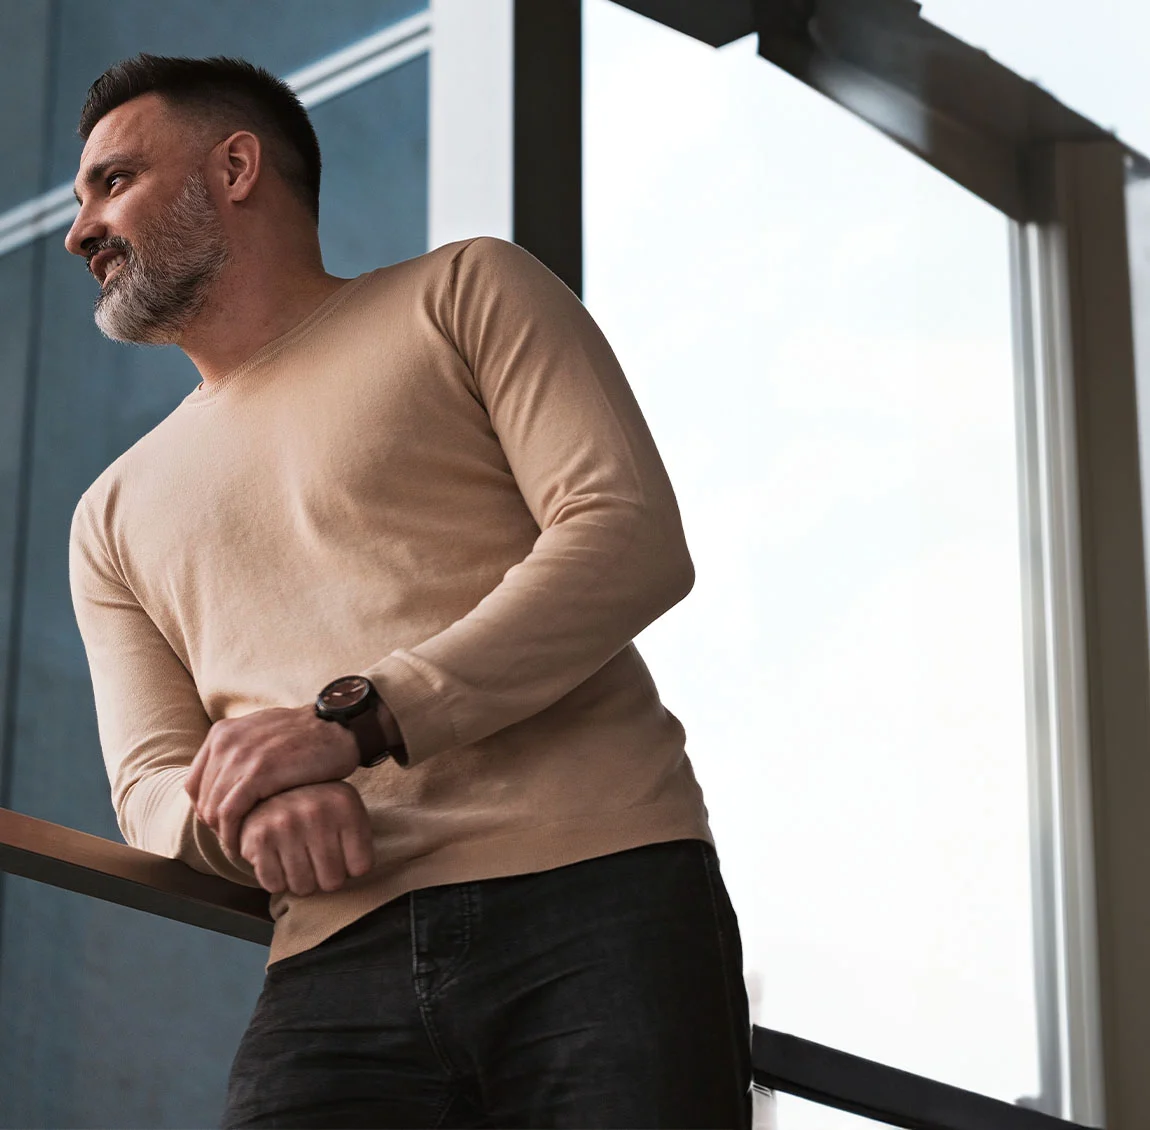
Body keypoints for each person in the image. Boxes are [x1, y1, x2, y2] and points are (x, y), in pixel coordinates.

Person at [66, 53, 751, 1129]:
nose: (80, 230)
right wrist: (248, 814)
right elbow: (150, 779)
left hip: (598, 892)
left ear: (235, 166)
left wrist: (358, 718)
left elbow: (627, 537)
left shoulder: (467, 290)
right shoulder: (108, 513)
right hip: (328, 963)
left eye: (113, 182)